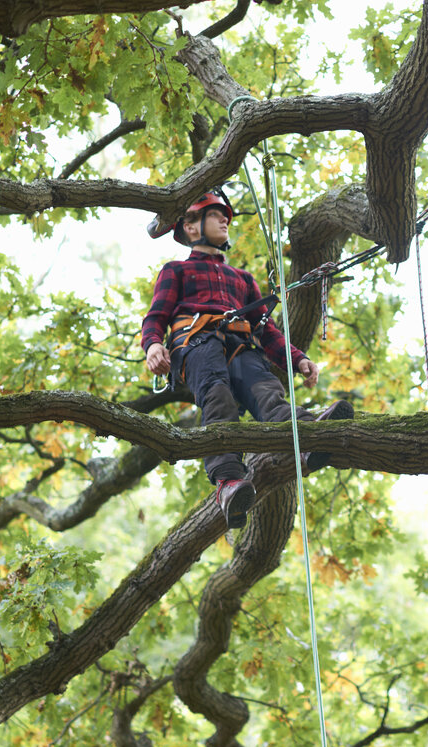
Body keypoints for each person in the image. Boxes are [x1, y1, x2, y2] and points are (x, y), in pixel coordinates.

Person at [142, 188, 352, 528]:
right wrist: (153, 345)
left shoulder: (242, 279)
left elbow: (267, 331)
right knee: (217, 394)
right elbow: (156, 316)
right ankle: (227, 481)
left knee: (267, 392)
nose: (225, 219)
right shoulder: (176, 271)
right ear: (191, 227)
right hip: (197, 345)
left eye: (225, 215)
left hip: (242, 345)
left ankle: (308, 439)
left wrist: (297, 360)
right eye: (215, 214)